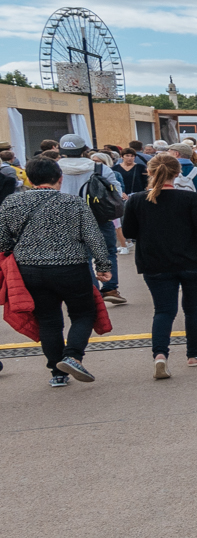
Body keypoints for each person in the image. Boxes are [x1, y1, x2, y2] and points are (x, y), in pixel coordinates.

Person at [0, 155, 112, 386]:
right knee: (83, 314)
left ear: (29, 180)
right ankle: (72, 356)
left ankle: (57, 374)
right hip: (71, 268)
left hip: (30, 270)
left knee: (49, 320)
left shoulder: (11, 203)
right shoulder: (73, 203)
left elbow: (2, 241)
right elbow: (94, 238)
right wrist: (103, 266)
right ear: (59, 179)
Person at [123, 153, 197, 377]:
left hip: (154, 262)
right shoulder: (189, 198)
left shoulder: (136, 200)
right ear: (178, 173)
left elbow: (129, 232)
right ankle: (194, 355)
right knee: (193, 308)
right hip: (192, 260)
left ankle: (160, 355)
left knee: (163, 311)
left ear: (149, 172)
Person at [57, 135, 128, 306]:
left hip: (68, 218)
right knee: (108, 252)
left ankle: (93, 291)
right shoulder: (100, 168)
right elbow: (116, 192)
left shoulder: (54, 169)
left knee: (83, 256)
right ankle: (110, 288)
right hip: (99, 215)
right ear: (84, 150)